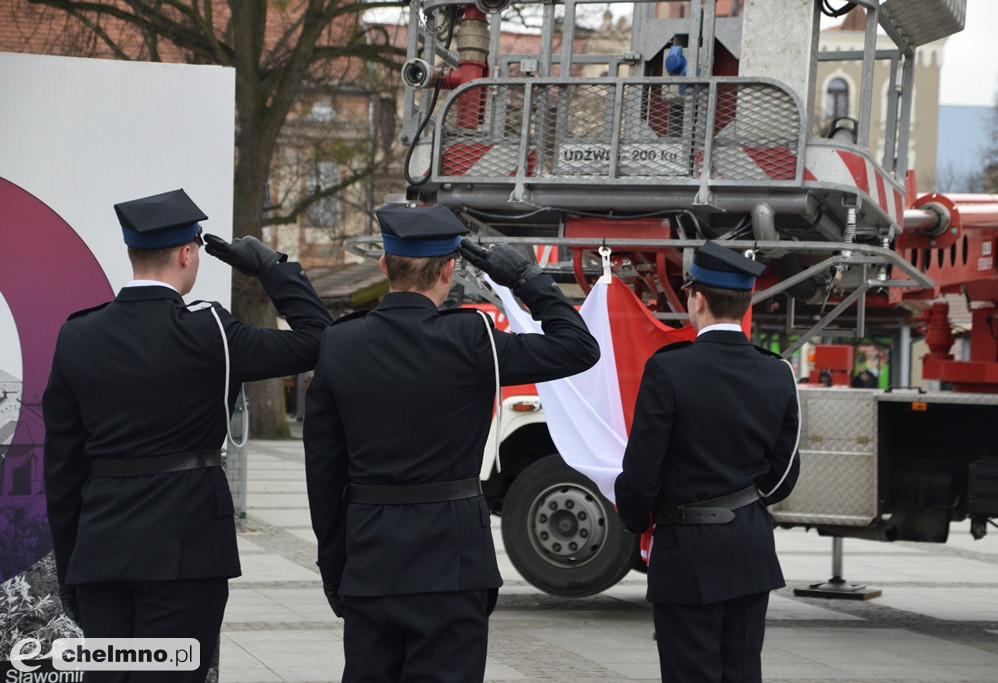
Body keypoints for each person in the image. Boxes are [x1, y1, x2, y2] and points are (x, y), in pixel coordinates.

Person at [43, 188, 332, 682]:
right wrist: (270, 267)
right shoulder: (211, 332)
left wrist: (73, 565)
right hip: (187, 552)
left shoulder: (77, 335)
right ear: (186, 253)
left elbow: (62, 469)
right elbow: (320, 340)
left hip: (101, 553)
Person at [303, 204, 600, 683]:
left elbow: (323, 471)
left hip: (371, 560)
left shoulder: (341, 344)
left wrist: (336, 567)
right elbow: (579, 348)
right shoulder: (472, 337)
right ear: (448, 270)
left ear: (385, 266)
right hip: (452, 563)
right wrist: (527, 279)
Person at [614, 240, 801, 683]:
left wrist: (636, 519)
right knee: (741, 672)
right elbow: (784, 473)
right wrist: (744, 504)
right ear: (746, 301)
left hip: (685, 549)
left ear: (697, 300)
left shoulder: (669, 369)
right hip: (750, 549)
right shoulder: (778, 373)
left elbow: (642, 469)